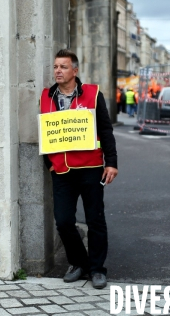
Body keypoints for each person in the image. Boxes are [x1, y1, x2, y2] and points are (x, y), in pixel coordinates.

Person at [40, 49, 118, 289]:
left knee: (95, 219)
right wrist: (49, 164)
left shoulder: (93, 94)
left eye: (63, 67)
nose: (58, 71)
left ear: (75, 70)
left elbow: (105, 130)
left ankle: (97, 269)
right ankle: (79, 262)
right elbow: (45, 133)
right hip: (62, 170)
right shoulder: (46, 96)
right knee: (63, 221)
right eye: (55, 67)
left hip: (91, 168)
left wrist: (111, 162)